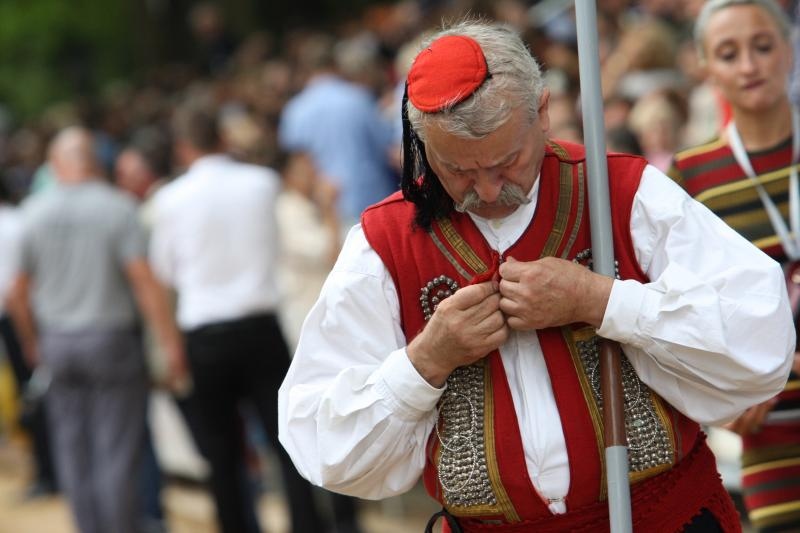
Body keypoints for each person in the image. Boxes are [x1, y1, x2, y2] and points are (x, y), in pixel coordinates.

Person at [278, 20, 795, 532]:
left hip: (662, 519)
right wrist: (425, 361)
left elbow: (759, 333)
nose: (485, 189)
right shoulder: (384, 242)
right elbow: (319, 441)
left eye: (507, 162)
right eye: (456, 169)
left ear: (542, 113)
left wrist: (604, 301)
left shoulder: (619, 190)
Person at [148, 104, 325, 533]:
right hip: (260, 325)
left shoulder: (169, 199)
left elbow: (165, 272)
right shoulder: (262, 182)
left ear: (184, 147)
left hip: (205, 332)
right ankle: (308, 525)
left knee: (222, 452)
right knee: (287, 442)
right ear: (223, 139)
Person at [6, 126, 185, 533]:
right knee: (116, 447)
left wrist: (33, 342)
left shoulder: (33, 211)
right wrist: (169, 341)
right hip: (110, 339)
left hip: (57, 341)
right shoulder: (116, 207)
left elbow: (17, 292)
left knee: (72, 446)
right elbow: (142, 279)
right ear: (93, 162)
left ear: (55, 165)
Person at [668, 1, 800, 530]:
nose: (749, 65)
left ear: (789, 49)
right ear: (706, 67)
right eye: (729, 53)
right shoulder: (691, 179)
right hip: (770, 438)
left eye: (763, 46)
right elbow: (681, 313)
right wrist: (723, 395)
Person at [0, 176, 58, 500]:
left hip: (20, 320)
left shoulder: (11, 224)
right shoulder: (19, 220)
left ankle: (48, 472)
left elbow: (15, 291)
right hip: (27, 317)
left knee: (34, 397)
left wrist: (28, 337)